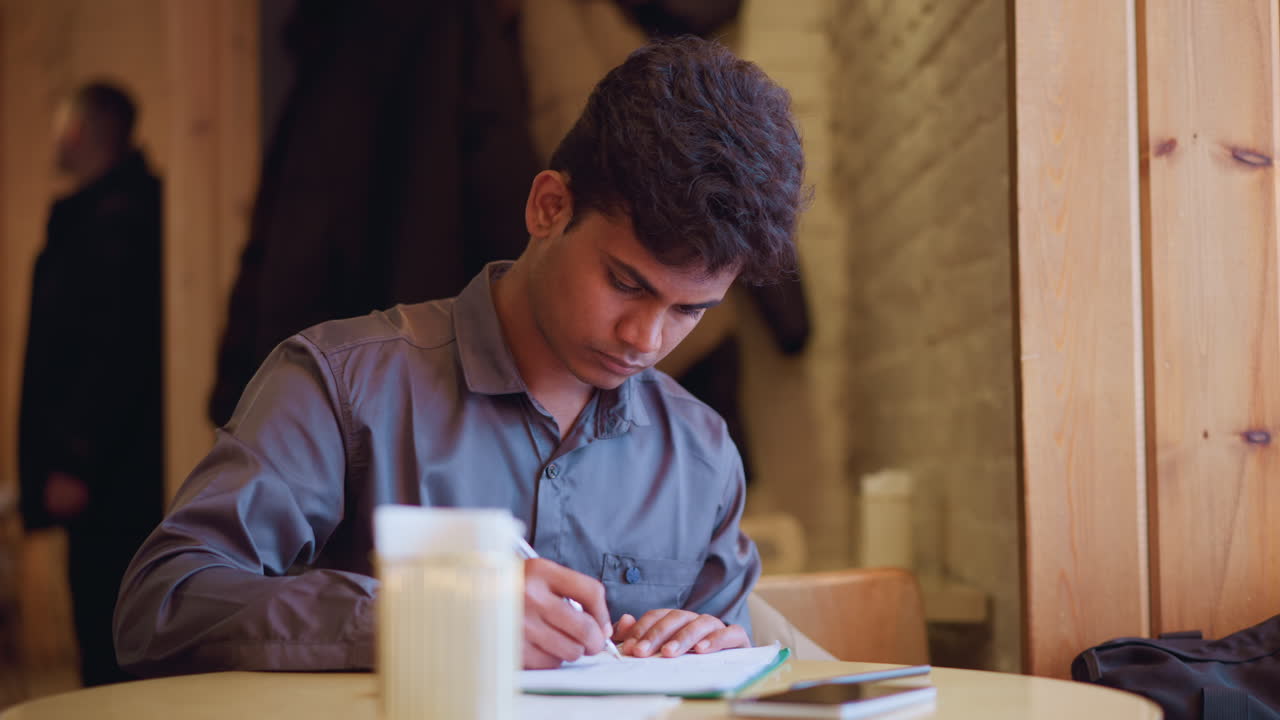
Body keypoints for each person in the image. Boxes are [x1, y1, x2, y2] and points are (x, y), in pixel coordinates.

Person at [114, 36, 806, 675]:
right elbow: (162, 605)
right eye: (626, 283)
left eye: (690, 311)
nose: (646, 340)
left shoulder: (703, 455)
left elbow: (724, 663)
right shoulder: (340, 386)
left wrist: (713, 650)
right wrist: (426, 619)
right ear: (548, 207)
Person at [19, 81, 164, 687]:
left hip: (109, 476)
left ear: (77, 131)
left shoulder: (115, 220)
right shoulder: (110, 212)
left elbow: (112, 345)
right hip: (112, 469)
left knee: (109, 630)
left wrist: (75, 456)